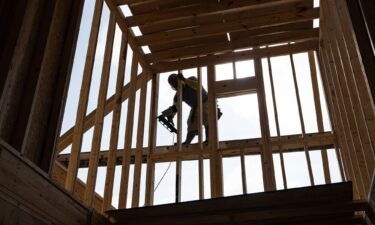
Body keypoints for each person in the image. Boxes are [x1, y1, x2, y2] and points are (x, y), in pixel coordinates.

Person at [161, 73, 222, 144]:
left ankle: (209, 140)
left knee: (207, 118)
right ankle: (187, 142)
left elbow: (197, 86)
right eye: (174, 85)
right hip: (195, 106)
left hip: (206, 101)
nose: (176, 86)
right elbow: (175, 107)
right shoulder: (178, 95)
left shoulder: (191, 79)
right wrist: (170, 116)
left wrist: (184, 79)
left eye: (176, 84)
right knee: (191, 122)